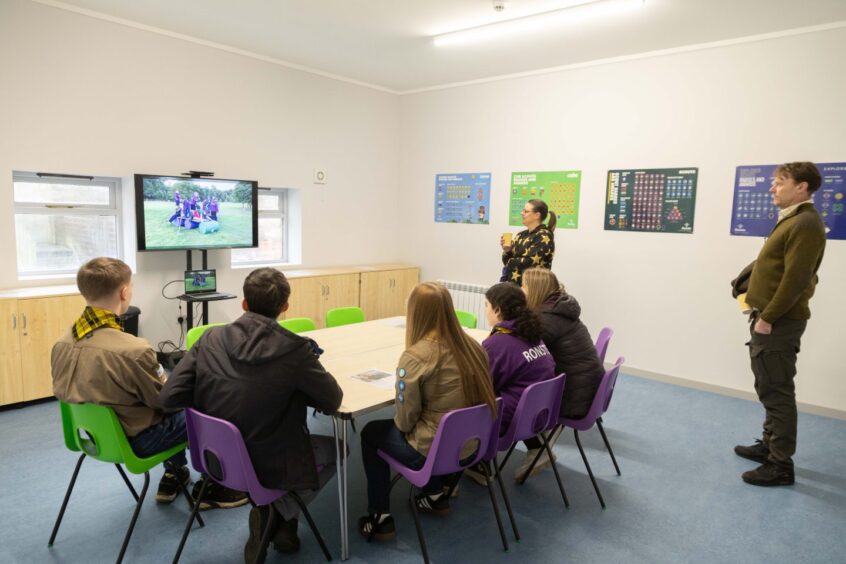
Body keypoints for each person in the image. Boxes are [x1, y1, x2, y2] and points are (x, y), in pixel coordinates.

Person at [160, 268, 343, 560]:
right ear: (285, 307)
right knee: (340, 449)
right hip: (270, 463)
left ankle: (283, 524)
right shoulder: (295, 350)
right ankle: (278, 513)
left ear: (244, 303)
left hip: (215, 458)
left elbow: (169, 397)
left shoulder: (209, 339)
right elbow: (333, 400)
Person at [357, 282, 496, 541]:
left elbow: (406, 419)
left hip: (435, 452)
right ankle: (433, 495)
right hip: (472, 446)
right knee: (429, 424)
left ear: (415, 313)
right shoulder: (475, 346)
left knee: (370, 431)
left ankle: (379, 518)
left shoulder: (416, 356)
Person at [51, 258, 190, 504]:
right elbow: (166, 401)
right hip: (137, 441)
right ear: (125, 292)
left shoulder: (61, 343)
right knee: (203, 407)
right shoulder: (133, 349)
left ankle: (175, 472)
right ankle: (219, 482)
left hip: (92, 438)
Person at [734, 162, 826, 487]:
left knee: (777, 390)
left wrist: (768, 318)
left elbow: (796, 280)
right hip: (767, 318)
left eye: (780, 182)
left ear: (802, 187)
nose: (772, 188)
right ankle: (768, 445)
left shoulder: (806, 224)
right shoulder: (794, 220)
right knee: (768, 385)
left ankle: (780, 464)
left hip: (778, 322)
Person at [462, 282, 555, 485]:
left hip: (510, 419)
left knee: (455, 401)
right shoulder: (532, 334)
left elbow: (480, 387)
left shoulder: (498, 344)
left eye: (486, 305)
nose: (485, 310)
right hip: (538, 414)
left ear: (497, 309)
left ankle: (471, 464)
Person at [518, 267, 605, 481]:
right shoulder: (560, 308)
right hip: (588, 386)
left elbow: (523, 355)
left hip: (574, 396)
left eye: (524, 286)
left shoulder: (546, 320)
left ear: (535, 290)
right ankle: (538, 443)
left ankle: (538, 448)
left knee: (513, 393)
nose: (521, 290)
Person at [500, 199, 556, 286]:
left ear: (537, 215)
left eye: (526, 211)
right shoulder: (521, 235)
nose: (522, 213)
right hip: (515, 287)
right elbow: (506, 261)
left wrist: (509, 261)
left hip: (534, 289)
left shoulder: (544, 235)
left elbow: (528, 263)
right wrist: (507, 250)